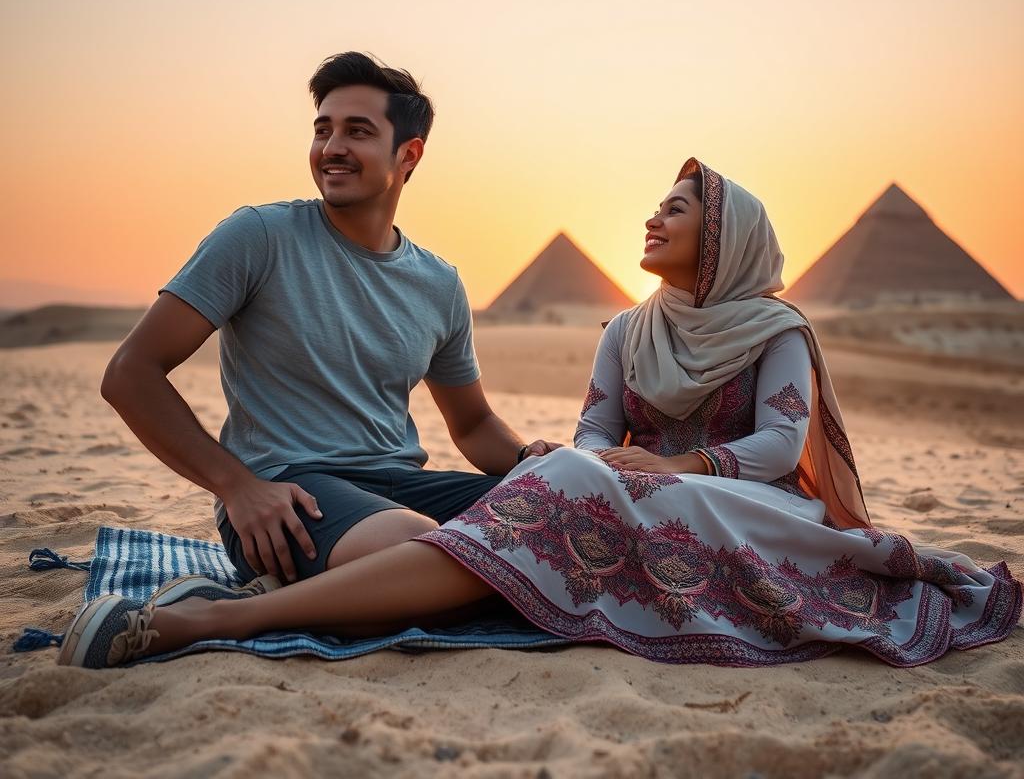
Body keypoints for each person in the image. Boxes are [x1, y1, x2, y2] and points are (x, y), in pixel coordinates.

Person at [59, 157, 1022, 669]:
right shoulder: (628, 331)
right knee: (557, 475)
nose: (653, 219)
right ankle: (244, 613)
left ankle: (218, 623)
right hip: (628, 494)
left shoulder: (775, 331)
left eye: (677, 212)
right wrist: (592, 466)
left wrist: (666, 470)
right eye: (654, 205)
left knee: (551, 482)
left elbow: (777, 445)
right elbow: (596, 432)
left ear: (723, 239)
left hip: (747, 503)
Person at [96, 50, 558, 594]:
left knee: (571, 517)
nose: (332, 148)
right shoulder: (259, 236)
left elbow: (474, 425)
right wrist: (237, 488)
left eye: (357, 131)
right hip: (283, 497)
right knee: (421, 549)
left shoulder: (439, 283)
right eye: (323, 130)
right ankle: (232, 613)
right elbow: (130, 373)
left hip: (401, 488)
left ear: (408, 154)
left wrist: (528, 459)